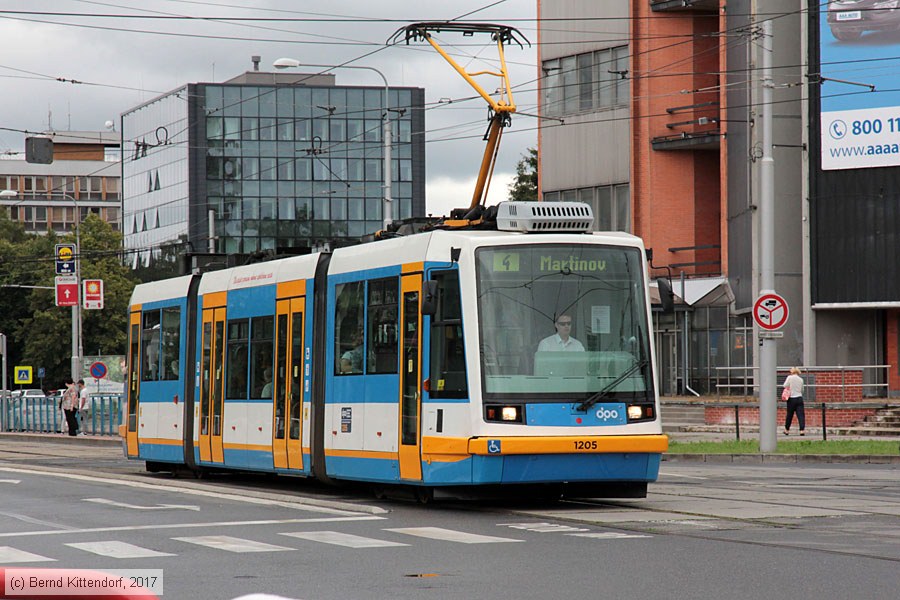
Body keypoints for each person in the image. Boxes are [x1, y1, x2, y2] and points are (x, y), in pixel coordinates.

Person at [783, 366, 805, 436]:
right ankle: (802, 430)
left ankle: (787, 430)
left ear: (792, 372)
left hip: (792, 398)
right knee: (801, 415)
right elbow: (802, 390)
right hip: (799, 398)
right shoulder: (801, 379)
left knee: (789, 414)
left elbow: (785, 385)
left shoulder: (789, 377)